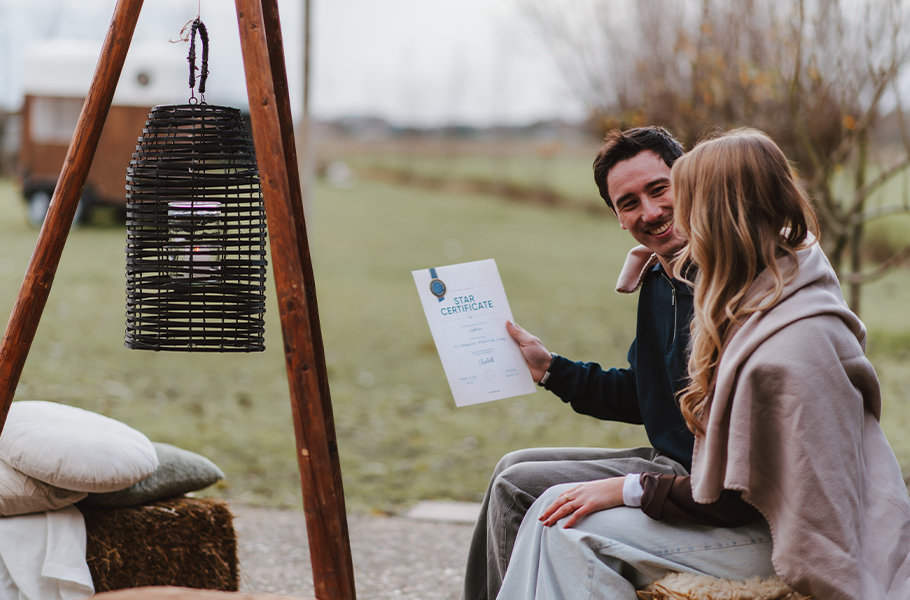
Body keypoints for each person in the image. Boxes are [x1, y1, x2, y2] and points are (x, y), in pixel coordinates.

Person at [496, 128, 910, 600]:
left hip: (779, 527)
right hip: (708, 489)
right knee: (525, 479)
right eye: (630, 202)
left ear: (726, 212)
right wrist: (552, 369)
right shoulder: (707, 285)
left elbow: (753, 492)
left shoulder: (790, 337)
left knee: (560, 519)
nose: (660, 217)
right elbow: (653, 392)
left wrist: (632, 489)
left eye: (671, 194)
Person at [463, 126, 697, 600]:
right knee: (511, 464)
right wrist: (549, 367)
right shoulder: (659, 278)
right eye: (628, 202)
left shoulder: (724, 274)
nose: (649, 212)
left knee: (517, 487)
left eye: (658, 189)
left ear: (690, 181)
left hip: (699, 479)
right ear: (617, 217)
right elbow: (643, 395)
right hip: (669, 459)